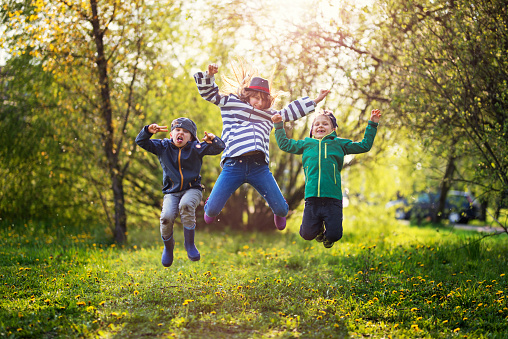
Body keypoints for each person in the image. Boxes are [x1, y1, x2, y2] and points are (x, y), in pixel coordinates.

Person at [194, 61, 330, 230]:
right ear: (248, 95)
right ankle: (210, 206)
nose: (258, 102)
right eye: (255, 97)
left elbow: (290, 112)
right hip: (233, 165)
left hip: (259, 167)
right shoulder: (231, 104)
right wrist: (209, 76)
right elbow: (210, 94)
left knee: (281, 209)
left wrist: (316, 100)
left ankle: (278, 209)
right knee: (212, 210)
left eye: (263, 99)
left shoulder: (271, 114)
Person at [272, 108, 382, 248]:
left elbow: (364, 146)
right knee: (306, 234)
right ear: (312, 130)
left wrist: (372, 124)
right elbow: (285, 144)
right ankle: (317, 229)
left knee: (335, 235)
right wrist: (278, 125)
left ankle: (328, 237)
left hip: (333, 198)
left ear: (333, 129)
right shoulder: (306, 144)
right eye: (316, 124)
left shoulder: (339, 144)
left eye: (325, 124)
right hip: (312, 198)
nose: (320, 126)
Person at [135, 117, 225, 267]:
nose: (180, 133)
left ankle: (189, 244)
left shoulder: (196, 147)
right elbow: (141, 142)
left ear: (191, 138)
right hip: (171, 192)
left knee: (186, 205)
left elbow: (219, 148)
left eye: (185, 132)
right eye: (177, 130)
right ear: (171, 134)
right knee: (166, 217)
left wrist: (213, 138)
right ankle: (168, 247)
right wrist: (147, 131)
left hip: (192, 189)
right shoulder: (163, 146)